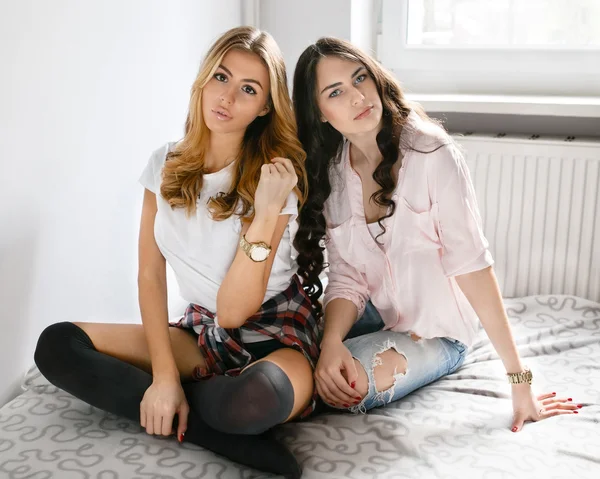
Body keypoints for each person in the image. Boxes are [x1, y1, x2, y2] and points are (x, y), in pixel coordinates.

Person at [34, 26, 320, 479]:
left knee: (253, 400)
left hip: (274, 332)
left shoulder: (274, 179)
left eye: (248, 89)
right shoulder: (164, 164)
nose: (226, 97)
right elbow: (150, 274)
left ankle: (213, 409)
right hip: (201, 332)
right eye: (221, 77)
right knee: (57, 344)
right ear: (204, 78)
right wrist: (165, 377)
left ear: (265, 107)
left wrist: (265, 212)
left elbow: (234, 311)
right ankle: (206, 427)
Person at [292, 37, 581, 431]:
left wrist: (519, 380)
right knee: (291, 351)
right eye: (336, 91)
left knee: (346, 383)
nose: (357, 96)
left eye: (360, 78)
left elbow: (473, 266)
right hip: (374, 313)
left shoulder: (432, 154)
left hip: (439, 334)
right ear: (320, 113)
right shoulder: (334, 174)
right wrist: (330, 342)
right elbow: (347, 279)